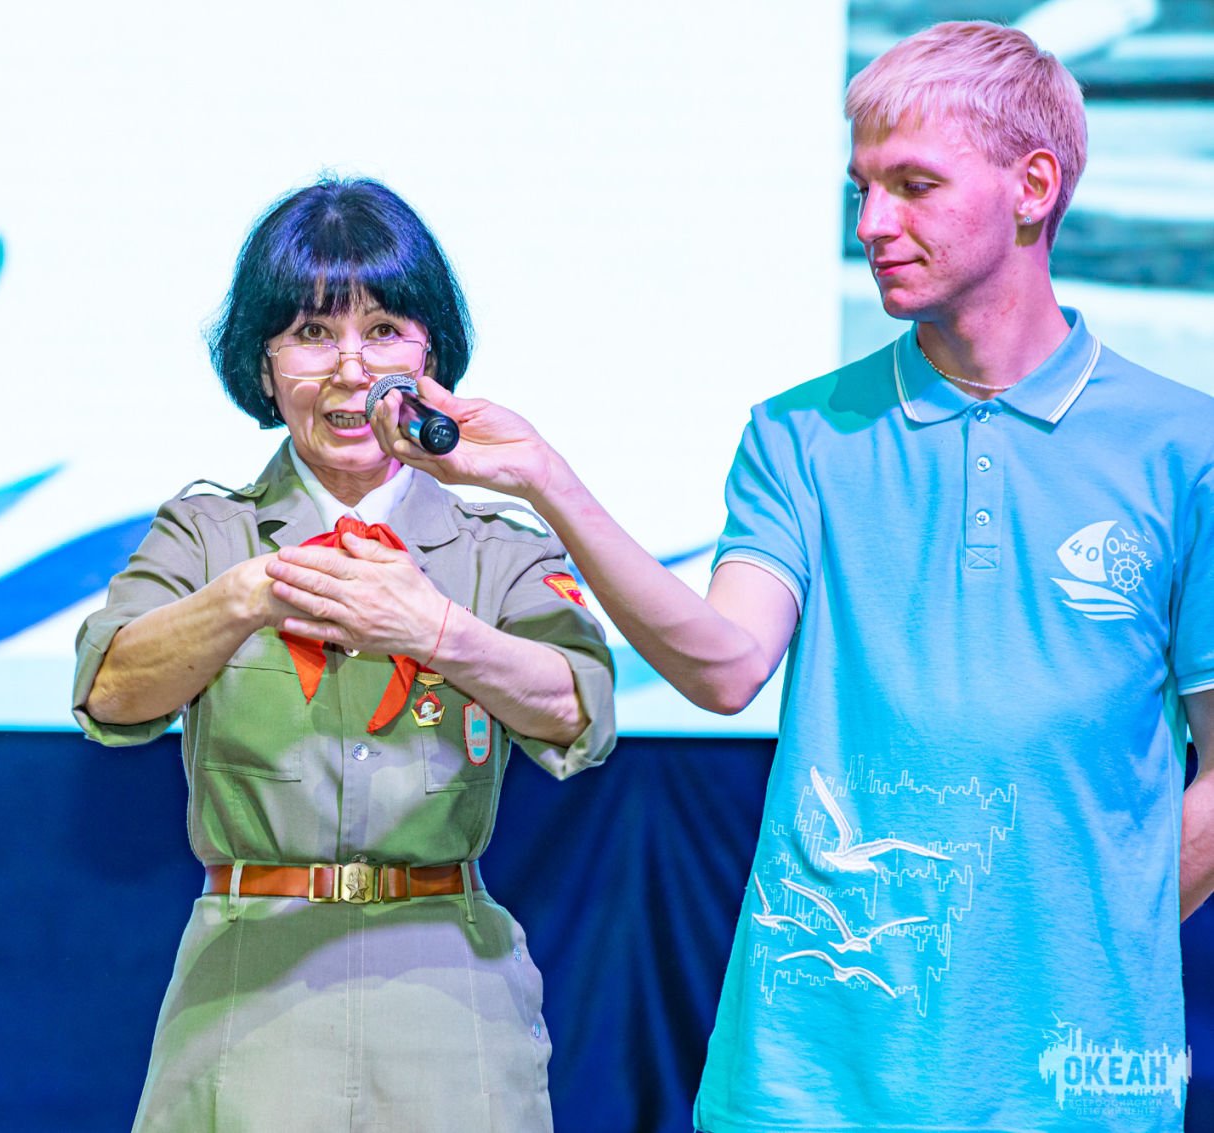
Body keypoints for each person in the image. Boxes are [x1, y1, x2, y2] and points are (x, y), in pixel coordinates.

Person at [370, 21, 1214, 1131]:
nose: (871, 224)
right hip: (807, 1076)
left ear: (1033, 186)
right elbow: (725, 668)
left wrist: (1089, 935)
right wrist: (544, 478)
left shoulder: (1183, 447)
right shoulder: (799, 435)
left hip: (1073, 1081)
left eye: (913, 185)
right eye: (861, 188)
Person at [72, 177, 617, 1132]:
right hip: (249, 986)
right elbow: (110, 689)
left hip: (451, 989)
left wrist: (438, 631)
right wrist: (249, 593)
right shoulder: (207, 532)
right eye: (312, 334)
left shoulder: (498, 548)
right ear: (264, 365)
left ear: (429, 355)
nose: (351, 370)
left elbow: (581, 709)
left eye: (384, 330)